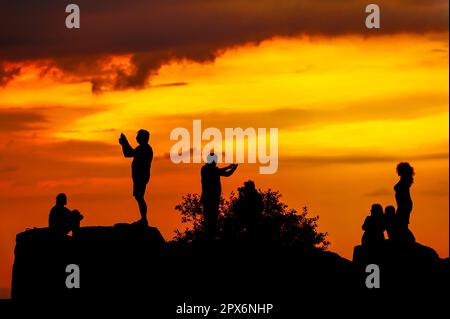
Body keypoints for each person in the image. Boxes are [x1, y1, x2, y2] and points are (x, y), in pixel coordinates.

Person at [119, 129, 153, 226]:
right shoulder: (143, 148)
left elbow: (128, 153)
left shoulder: (144, 148)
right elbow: (129, 153)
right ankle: (143, 219)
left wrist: (124, 143)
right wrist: (124, 143)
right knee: (139, 197)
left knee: (139, 197)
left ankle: (144, 219)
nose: (136, 138)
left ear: (142, 138)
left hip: (141, 176)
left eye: (138, 136)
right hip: (140, 176)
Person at [200, 152, 238, 240]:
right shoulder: (211, 170)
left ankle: (209, 235)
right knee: (212, 218)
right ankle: (210, 237)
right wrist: (233, 169)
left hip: (207, 197)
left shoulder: (204, 169)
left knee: (208, 218)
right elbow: (225, 173)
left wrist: (229, 167)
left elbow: (220, 171)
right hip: (211, 198)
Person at [394, 162, 415, 242]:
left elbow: (399, 188)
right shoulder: (404, 180)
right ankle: (406, 239)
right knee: (400, 223)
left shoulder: (405, 180)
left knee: (401, 224)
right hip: (402, 205)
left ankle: (409, 240)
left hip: (404, 205)